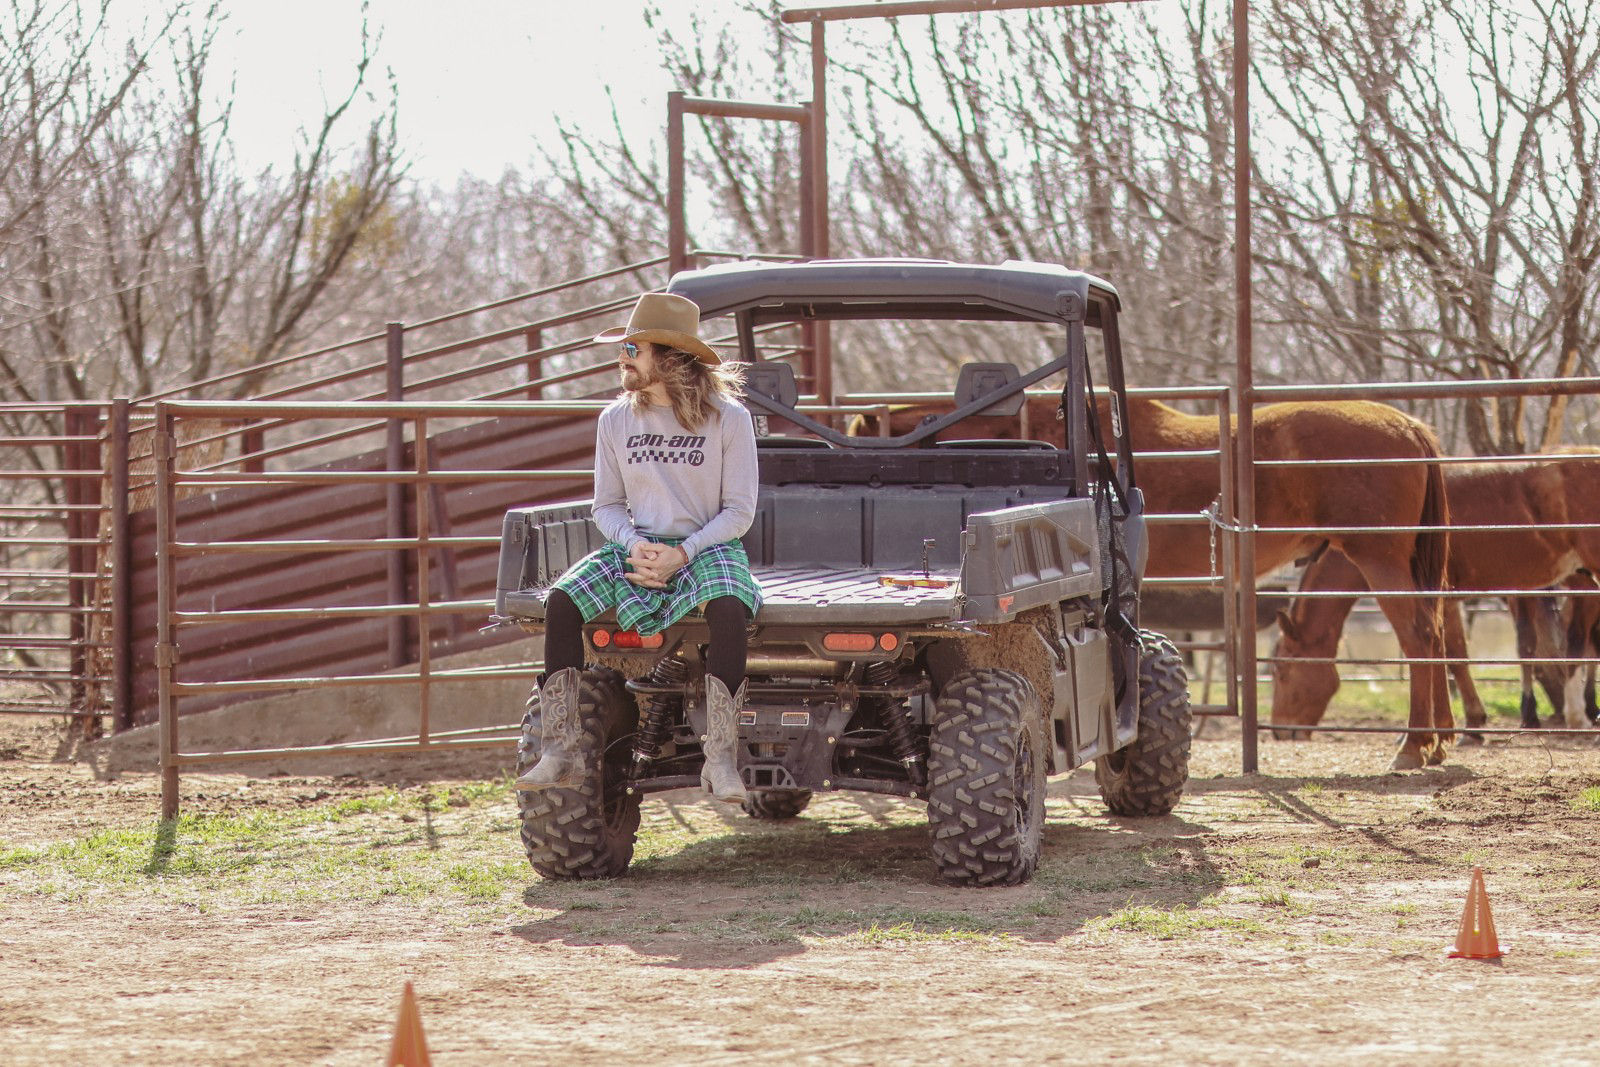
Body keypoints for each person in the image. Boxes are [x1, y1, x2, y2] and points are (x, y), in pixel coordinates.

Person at [515, 291, 761, 803]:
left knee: (729, 608)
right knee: (560, 602)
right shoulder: (615, 420)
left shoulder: (728, 418)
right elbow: (606, 505)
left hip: (706, 547)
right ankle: (557, 748)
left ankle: (719, 760)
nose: (621, 358)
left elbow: (739, 512)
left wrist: (683, 553)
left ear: (669, 358)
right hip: (637, 545)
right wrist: (635, 545)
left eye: (632, 348)